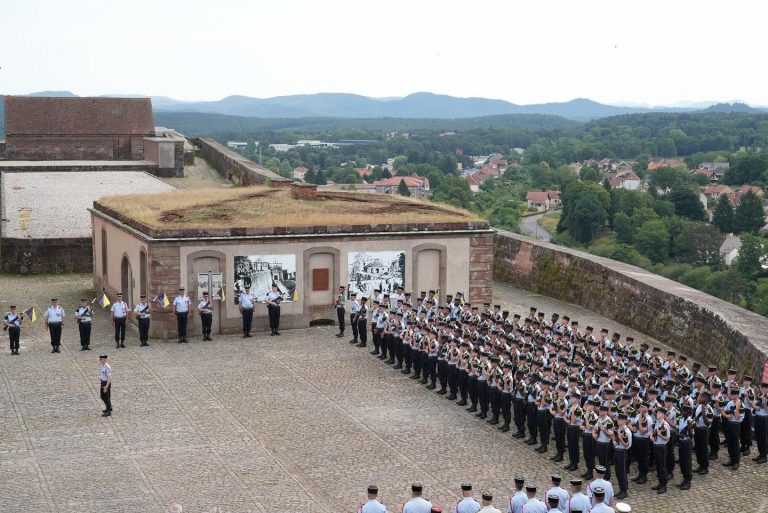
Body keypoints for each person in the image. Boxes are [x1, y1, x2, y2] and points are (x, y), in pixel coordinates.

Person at [613, 413, 632, 500]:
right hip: (617, 450)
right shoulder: (619, 429)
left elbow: (627, 445)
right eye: (618, 419)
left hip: (623, 452)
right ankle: (621, 489)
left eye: (619, 419)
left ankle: (624, 491)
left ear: (624, 420)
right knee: (617, 472)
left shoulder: (627, 431)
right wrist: (614, 441)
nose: (618, 420)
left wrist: (620, 439)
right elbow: (615, 437)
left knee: (622, 472)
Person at [754, 382, 768, 464]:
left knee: (763, 437)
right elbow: (756, 405)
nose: (761, 389)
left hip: (764, 418)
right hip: (758, 416)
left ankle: (764, 456)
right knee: (758, 436)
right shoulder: (760, 395)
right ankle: (760, 453)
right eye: (761, 388)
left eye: (762, 388)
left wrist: (764, 402)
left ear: (766, 388)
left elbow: (767, 410)